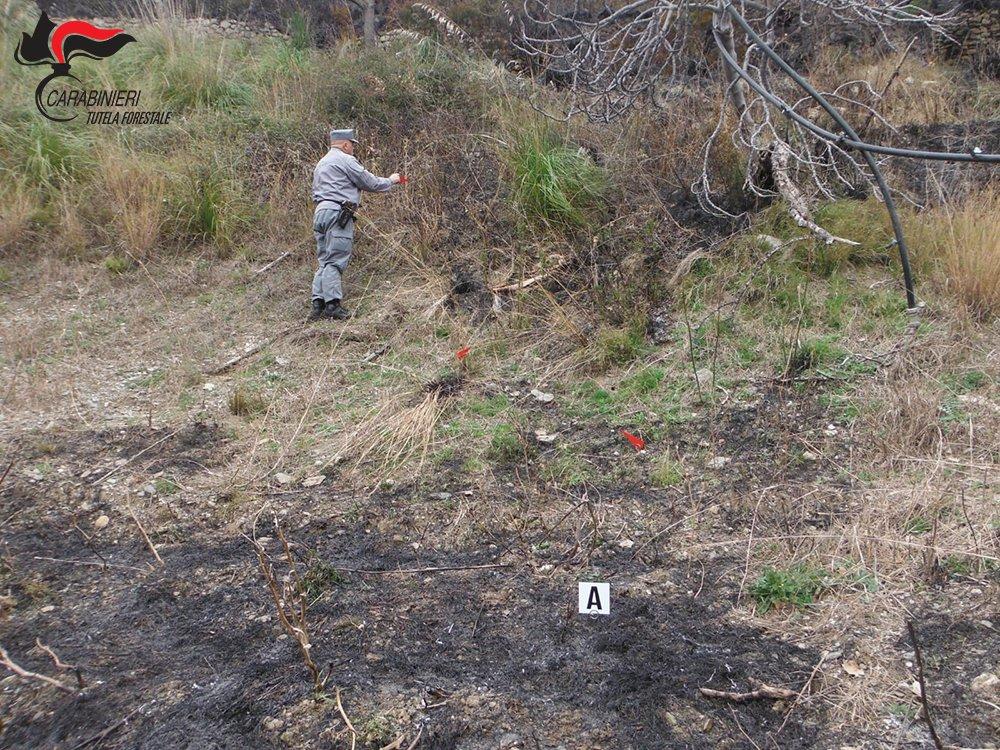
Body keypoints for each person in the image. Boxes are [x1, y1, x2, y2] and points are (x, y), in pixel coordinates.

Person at [309, 128, 402, 321]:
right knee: (336, 259)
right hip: (338, 213)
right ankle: (333, 305)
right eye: (352, 144)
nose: (353, 148)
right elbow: (370, 183)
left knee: (324, 259)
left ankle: (317, 306)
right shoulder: (345, 159)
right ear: (345, 144)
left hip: (320, 213)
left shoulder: (321, 163)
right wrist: (391, 181)